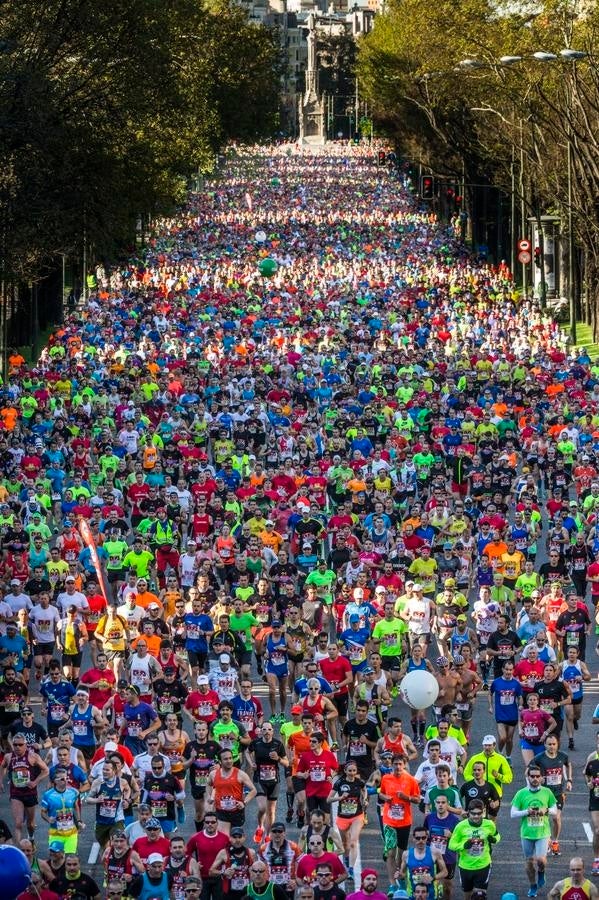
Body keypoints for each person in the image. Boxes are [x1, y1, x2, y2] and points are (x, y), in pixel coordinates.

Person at [510, 763, 558, 898]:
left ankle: (542, 872)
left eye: (538, 776)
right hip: (526, 833)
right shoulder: (521, 793)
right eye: (532, 776)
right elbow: (512, 813)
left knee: (541, 860)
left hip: (543, 833)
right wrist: (527, 812)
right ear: (528, 777)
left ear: (542, 778)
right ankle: (532, 885)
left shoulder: (547, 792)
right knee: (529, 861)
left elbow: (555, 812)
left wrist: (546, 810)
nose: (535, 779)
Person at [379, 754, 421, 885]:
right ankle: (392, 884)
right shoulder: (386, 778)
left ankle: (399, 873)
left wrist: (406, 797)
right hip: (389, 821)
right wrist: (385, 798)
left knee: (401, 852)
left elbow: (418, 799)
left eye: (400, 764)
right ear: (391, 764)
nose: (398, 766)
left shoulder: (411, 780)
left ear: (404, 765)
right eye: (395, 764)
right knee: (391, 851)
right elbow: (381, 793)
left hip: (404, 821)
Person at [1, 733, 49, 843]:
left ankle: (31, 837)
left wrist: (35, 782)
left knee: (30, 824)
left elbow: (46, 770)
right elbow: (2, 766)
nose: (17, 747)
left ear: (25, 745)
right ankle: (20, 850)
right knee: (18, 823)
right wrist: (1, 781)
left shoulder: (33, 757)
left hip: (30, 793)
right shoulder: (9, 757)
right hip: (16, 793)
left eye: (20, 744)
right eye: (15, 744)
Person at [246, 720, 288, 844]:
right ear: (261, 731)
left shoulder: (278, 744)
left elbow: (287, 763)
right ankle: (260, 827)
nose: (267, 732)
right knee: (262, 808)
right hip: (259, 779)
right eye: (264, 729)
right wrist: (251, 763)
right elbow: (247, 752)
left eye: (269, 729)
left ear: (272, 731)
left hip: (274, 781)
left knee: (271, 810)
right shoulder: (256, 743)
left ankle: (268, 835)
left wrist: (279, 759)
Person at [448, 801, 499, 900]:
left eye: (479, 813)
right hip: (465, 866)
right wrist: (464, 845)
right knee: (468, 895)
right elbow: (451, 845)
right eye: (473, 813)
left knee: (480, 896)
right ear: (468, 813)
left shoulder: (489, 824)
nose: (476, 816)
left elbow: (497, 836)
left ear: (483, 812)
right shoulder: (460, 826)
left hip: (483, 865)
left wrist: (494, 839)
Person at [327, 761, 367, 881]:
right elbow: (328, 800)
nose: (352, 773)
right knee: (345, 845)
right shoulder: (339, 783)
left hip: (357, 816)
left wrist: (364, 800)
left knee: (353, 842)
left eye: (354, 771)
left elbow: (364, 790)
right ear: (345, 771)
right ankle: (346, 858)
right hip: (342, 817)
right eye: (349, 771)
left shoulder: (359, 782)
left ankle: (350, 868)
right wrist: (340, 797)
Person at [534, 733, 572, 857]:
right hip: (544, 793)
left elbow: (568, 764)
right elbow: (528, 772)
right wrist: (538, 779)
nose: (551, 747)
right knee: (544, 818)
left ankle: (555, 841)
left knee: (556, 818)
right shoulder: (539, 758)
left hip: (558, 793)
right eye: (549, 744)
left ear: (557, 744)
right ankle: (546, 840)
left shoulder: (563, 756)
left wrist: (569, 780)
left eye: (554, 744)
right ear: (545, 745)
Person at [206, 748, 256, 835]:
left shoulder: (240, 774)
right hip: (221, 811)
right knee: (224, 837)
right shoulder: (213, 774)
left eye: (230, 758)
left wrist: (244, 802)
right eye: (225, 759)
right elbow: (208, 784)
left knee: (235, 838)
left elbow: (253, 790)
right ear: (220, 761)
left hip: (236, 812)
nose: (229, 761)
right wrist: (210, 797)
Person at [186, 811, 230, 900]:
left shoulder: (225, 838)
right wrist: (194, 864)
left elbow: (230, 855)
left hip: (219, 878)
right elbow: (187, 854)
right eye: (207, 822)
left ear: (217, 823)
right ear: (204, 823)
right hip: (202, 878)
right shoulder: (196, 838)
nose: (210, 824)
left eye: (213, 822)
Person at [399, 825, 448, 898]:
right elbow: (403, 874)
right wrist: (399, 875)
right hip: (413, 894)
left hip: (430, 894)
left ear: (427, 838)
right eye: (418, 838)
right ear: (413, 839)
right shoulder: (406, 854)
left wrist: (432, 878)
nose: (421, 841)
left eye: (423, 838)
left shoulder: (435, 852)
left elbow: (445, 872)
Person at [208, 826, 255, 900]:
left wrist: (252, 871)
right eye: (234, 837)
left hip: (246, 893)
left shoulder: (251, 852)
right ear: (230, 838)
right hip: (229, 894)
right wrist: (223, 872)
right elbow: (211, 871)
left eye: (240, 837)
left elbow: (258, 871)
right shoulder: (223, 853)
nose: (237, 840)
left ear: (244, 837)